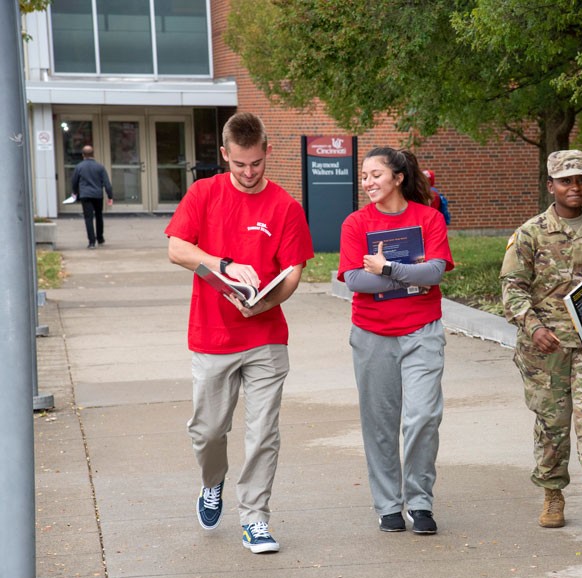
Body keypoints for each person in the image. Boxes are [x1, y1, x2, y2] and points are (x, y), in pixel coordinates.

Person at [165, 112, 314, 553]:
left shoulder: (285, 206)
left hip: (266, 336)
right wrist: (223, 264)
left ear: (267, 151)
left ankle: (256, 518)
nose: (249, 174)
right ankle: (213, 481)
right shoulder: (204, 193)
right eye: (240, 164)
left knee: (263, 432)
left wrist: (265, 303)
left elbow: (293, 271)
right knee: (208, 431)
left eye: (257, 163)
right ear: (225, 155)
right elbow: (176, 248)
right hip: (212, 336)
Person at [500, 150, 582, 539]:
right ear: (551, 185)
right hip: (546, 345)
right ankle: (553, 494)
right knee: (552, 422)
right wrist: (532, 326)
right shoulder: (530, 233)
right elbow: (511, 288)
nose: (576, 187)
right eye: (567, 180)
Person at [338, 147, 453, 535]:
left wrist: (387, 268)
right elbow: (355, 280)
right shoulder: (356, 223)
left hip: (422, 331)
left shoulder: (429, 218)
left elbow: (435, 272)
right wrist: (409, 276)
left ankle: (419, 502)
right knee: (380, 423)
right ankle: (389, 505)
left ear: (398, 177)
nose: (368, 182)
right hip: (372, 334)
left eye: (376, 175)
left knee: (423, 417)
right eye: (365, 176)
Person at [70, 145, 113, 249]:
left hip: (85, 195)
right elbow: (107, 183)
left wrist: (75, 192)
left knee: (88, 218)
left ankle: (91, 242)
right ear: (93, 154)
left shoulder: (79, 167)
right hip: (98, 195)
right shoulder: (100, 167)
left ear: (83, 155)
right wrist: (110, 196)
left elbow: (74, 181)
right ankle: (100, 238)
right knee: (99, 216)